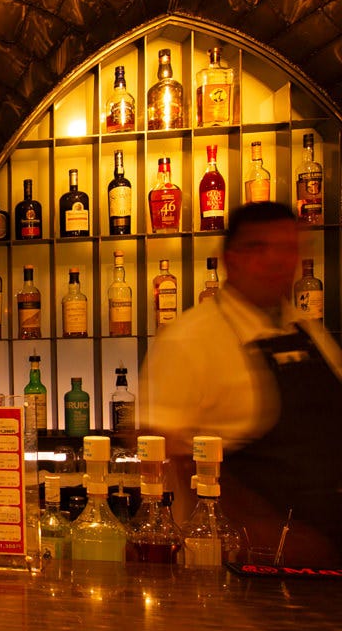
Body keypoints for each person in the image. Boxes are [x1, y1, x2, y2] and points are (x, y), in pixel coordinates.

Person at [141, 201, 342, 561]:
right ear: (229, 258)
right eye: (258, 248)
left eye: (286, 248)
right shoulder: (189, 338)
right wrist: (260, 530)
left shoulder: (308, 330)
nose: (274, 260)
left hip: (326, 556)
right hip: (242, 562)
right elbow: (162, 449)